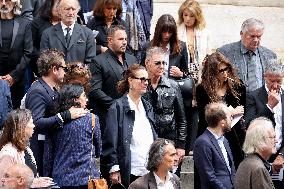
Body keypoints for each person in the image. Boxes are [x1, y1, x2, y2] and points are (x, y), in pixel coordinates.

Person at [25, 49, 88, 176]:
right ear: (54, 69)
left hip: (50, 149)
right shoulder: (37, 91)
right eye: (64, 68)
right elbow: (36, 122)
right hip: (40, 151)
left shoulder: (52, 89)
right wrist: (66, 115)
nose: (66, 73)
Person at [101, 64, 157, 188]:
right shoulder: (117, 107)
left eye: (147, 80)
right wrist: (114, 167)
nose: (146, 83)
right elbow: (110, 140)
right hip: (130, 169)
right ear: (130, 80)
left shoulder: (147, 106)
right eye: (141, 79)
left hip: (149, 168)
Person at [196, 51, 246, 168]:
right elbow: (206, 117)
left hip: (234, 135)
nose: (225, 73)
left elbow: (244, 110)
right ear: (212, 72)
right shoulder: (202, 89)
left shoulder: (237, 86)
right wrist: (231, 112)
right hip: (212, 136)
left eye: (226, 69)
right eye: (221, 70)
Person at [144, 47, 187, 168]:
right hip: (146, 139)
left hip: (169, 138)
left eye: (164, 63)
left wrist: (181, 146)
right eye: (158, 63)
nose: (162, 66)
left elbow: (181, 118)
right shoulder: (141, 85)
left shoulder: (172, 85)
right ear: (147, 63)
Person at [52, 84, 101, 188]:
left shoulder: (55, 121)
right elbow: (98, 149)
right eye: (84, 96)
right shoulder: (92, 119)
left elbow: (48, 156)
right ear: (75, 100)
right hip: (86, 179)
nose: (86, 99)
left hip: (61, 180)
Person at [89, 25, 136, 131]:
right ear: (110, 40)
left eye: (125, 39)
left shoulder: (132, 59)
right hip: (108, 118)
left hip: (130, 116)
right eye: (120, 39)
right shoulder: (98, 61)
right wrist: (116, 105)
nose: (124, 42)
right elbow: (95, 90)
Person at [245, 59, 284, 188]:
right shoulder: (253, 96)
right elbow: (250, 126)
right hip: (260, 158)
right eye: (272, 81)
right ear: (265, 76)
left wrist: (282, 155)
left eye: (279, 81)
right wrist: (269, 107)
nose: (275, 85)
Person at [218, 18, 277, 92]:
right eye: (252, 36)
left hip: (260, 101)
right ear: (241, 34)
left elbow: (275, 82)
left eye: (259, 36)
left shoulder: (270, 56)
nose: (256, 40)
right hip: (235, 100)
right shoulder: (225, 52)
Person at [0, 109, 53, 188]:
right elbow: (3, 184)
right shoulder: (8, 153)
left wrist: (37, 180)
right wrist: (32, 184)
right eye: (31, 123)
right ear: (22, 126)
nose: (34, 126)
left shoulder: (26, 148)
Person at [193, 102, 235, 189]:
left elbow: (231, 170)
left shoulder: (225, 141)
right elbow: (208, 176)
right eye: (230, 117)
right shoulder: (202, 143)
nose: (231, 119)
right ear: (222, 122)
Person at [40, 0, 96, 64]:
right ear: (59, 11)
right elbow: (44, 60)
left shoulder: (88, 33)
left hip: (80, 73)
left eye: (73, 9)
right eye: (67, 9)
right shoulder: (47, 33)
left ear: (77, 11)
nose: (71, 12)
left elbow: (90, 62)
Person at [0, 0, 33, 108]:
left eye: (8, 0)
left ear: (15, 2)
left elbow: (28, 52)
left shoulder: (24, 23)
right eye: (1, 0)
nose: (4, 3)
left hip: (17, 80)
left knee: (16, 115)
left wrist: (13, 76)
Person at [141, 14, 189, 80]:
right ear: (159, 31)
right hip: (152, 86)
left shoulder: (181, 47)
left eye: (170, 32)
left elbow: (187, 73)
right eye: (164, 31)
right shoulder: (147, 46)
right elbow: (141, 70)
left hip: (173, 87)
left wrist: (181, 74)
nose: (167, 35)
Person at [235, 117, 276, 189]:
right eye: (273, 137)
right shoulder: (258, 168)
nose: (276, 141)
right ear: (260, 140)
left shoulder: (246, 162)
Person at [177, 0, 211, 83]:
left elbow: (209, 54)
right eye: (185, 15)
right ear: (182, 15)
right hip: (181, 72)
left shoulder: (205, 32)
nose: (188, 19)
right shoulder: (176, 31)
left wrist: (206, 60)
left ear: (197, 16)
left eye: (192, 16)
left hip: (200, 72)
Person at [30, 0, 61, 76]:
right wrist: (45, 59)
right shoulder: (37, 23)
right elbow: (30, 46)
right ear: (50, 6)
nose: (60, 9)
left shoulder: (68, 23)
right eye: (57, 6)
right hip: (41, 66)